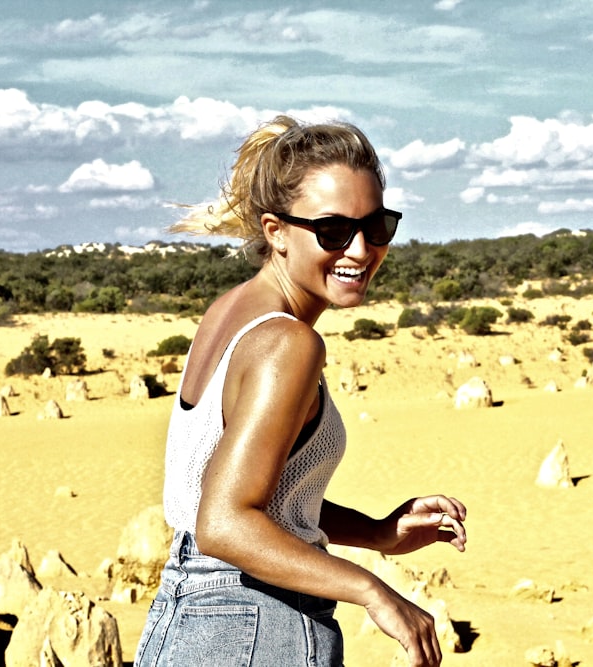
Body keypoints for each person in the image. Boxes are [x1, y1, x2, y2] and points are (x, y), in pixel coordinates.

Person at [134, 115, 467, 667]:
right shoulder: (289, 344)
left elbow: (265, 496)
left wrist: (379, 533)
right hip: (258, 624)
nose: (360, 250)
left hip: (193, 620)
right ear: (275, 231)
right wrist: (373, 591)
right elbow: (225, 522)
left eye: (377, 226)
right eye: (333, 231)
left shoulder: (232, 312)